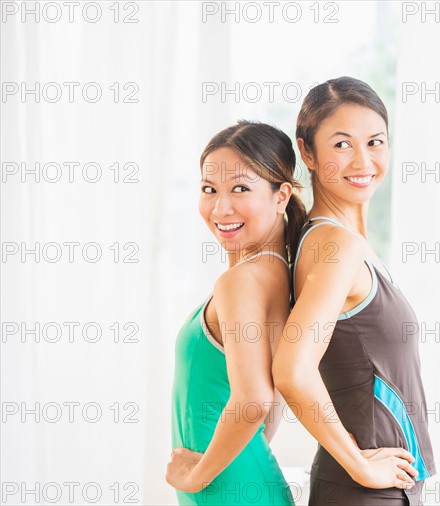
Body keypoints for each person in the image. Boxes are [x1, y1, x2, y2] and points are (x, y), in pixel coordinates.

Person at [272, 77, 437, 506]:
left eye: (375, 141)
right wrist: (361, 465)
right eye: (342, 145)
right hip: (365, 491)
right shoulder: (335, 246)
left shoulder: (341, 241)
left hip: (381, 488)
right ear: (307, 151)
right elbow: (292, 369)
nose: (363, 160)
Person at [167, 121, 307, 506]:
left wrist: (196, 476)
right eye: (209, 189)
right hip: (240, 479)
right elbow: (271, 403)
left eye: (240, 189)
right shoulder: (276, 274)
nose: (220, 206)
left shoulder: (241, 283)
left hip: (225, 486)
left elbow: (255, 400)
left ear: (282, 196)